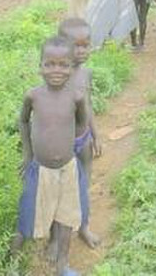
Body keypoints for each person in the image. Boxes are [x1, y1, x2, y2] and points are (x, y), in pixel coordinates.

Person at [13, 35, 88, 276]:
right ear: (40, 67)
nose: (56, 70)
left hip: (67, 168)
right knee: (27, 217)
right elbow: (23, 122)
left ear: (71, 67)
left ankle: (62, 265)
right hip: (39, 169)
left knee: (65, 218)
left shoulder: (76, 97)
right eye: (49, 64)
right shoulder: (33, 96)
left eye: (63, 65)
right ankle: (13, 263)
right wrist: (28, 153)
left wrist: (71, 148)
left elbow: (81, 124)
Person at [57, 18, 102, 249]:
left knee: (84, 184)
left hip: (83, 139)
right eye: (77, 45)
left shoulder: (86, 74)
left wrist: (96, 134)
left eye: (87, 44)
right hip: (62, 145)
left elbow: (88, 104)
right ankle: (57, 237)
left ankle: (84, 227)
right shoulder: (57, 78)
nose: (84, 50)